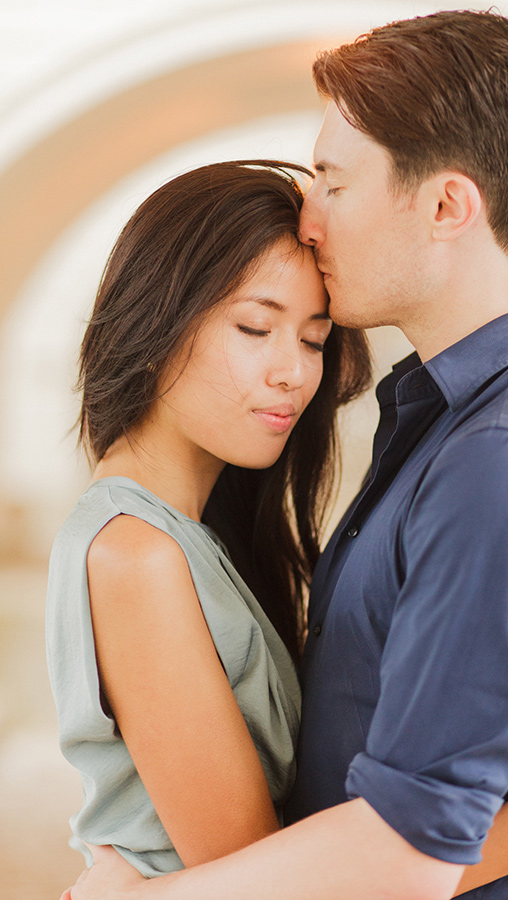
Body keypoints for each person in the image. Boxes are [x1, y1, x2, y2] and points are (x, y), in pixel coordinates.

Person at [61, 11, 508, 898]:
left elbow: (410, 851)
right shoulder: (450, 420)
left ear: (446, 207)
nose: (308, 218)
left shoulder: (506, 454)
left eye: (335, 183)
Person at [46, 159, 371, 875]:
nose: (292, 370)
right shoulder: (137, 555)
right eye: (256, 327)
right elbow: (257, 877)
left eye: (314, 340)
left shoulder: (192, 534)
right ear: (158, 318)